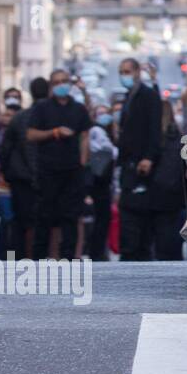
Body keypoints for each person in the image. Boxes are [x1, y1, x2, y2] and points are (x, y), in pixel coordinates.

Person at [25, 70, 93, 258]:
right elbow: (31, 134)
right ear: (51, 85)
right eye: (57, 82)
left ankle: (68, 260)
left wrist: (82, 161)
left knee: (70, 219)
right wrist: (54, 132)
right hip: (48, 171)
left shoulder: (78, 108)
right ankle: (39, 261)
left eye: (64, 81)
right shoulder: (42, 108)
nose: (61, 85)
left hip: (72, 172)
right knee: (44, 218)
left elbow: (85, 135)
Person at [121, 100, 185, 261]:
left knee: (145, 246)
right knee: (167, 249)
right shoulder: (176, 136)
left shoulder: (152, 138)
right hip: (169, 200)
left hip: (153, 197)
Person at [115, 57, 165, 260]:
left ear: (136, 72)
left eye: (127, 71)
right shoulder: (130, 96)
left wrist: (148, 157)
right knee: (129, 210)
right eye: (121, 71)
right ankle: (131, 253)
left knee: (138, 213)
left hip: (142, 165)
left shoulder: (147, 96)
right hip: (129, 164)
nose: (124, 76)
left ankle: (138, 252)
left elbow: (154, 129)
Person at [0, 78, 48, 257]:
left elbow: (5, 149)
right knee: (41, 222)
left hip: (21, 178)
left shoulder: (20, 117)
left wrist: (7, 172)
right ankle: (37, 258)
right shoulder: (50, 116)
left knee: (19, 223)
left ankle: (18, 259)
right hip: (42, 178)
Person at [0, 88, 22, 258]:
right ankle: (3, 255)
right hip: (1, 183)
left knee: (13, 219)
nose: (7, 118)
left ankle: (10, 255)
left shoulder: (23, 129)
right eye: (5, 115)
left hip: (16, 181)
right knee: (7, 218)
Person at [85, 104, 118, 261]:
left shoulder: (107, 131)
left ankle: (99, 251)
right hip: (99, 181)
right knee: (101, 217)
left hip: (104, 181)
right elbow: (109, 151)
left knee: (103, 218)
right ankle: (96, 252)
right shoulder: (97, 131)